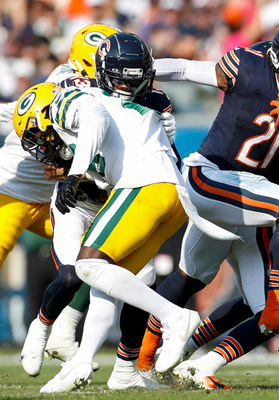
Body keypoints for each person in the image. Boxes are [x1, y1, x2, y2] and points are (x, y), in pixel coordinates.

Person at [135, 20, 279, 388]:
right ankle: (137, 362)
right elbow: (183, 68)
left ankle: (197, 363)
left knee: (252, 310)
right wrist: (133, 71)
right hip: (211, 177)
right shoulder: (250, 65)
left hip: (253, 207)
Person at [11, 59, 235, 390]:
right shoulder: (122, 102)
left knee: (86, 267)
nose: (42, 147)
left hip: (143, 186)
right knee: (110, 281)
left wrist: (75, 172)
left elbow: (95, 118)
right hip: (166, 192)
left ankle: (176, 317)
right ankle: (105, 367)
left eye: (38, 136)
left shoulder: (65, 102)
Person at [19, 32, 184, 392]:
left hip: (115, 197)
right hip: (74, 200)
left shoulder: (145, 100)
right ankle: (42, 329)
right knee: (73, 275)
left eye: (134, 74)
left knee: (136, 279)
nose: (128, 82)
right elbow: (42, 136)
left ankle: (124, 366)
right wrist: (69, 171)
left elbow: (162, 145)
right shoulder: (66, 91)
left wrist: (165, 129)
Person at [0, 23, 119, 372]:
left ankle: (64, 333)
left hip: (54, 198)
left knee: (99, 254)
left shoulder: (105, 88)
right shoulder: (67, 85)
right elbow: (30, 124)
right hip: (13, 193)